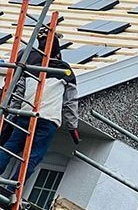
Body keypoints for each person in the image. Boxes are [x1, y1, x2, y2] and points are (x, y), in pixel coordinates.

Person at [0, 30, 79, 184]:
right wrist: (72, 127)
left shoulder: (29, 67)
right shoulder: (65, 70)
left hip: (25, 114)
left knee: (9, 147)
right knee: (33, 156)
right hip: (47, 119)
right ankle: (13, 190)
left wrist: (11, 115)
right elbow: (70, 102)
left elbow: (18, 93)